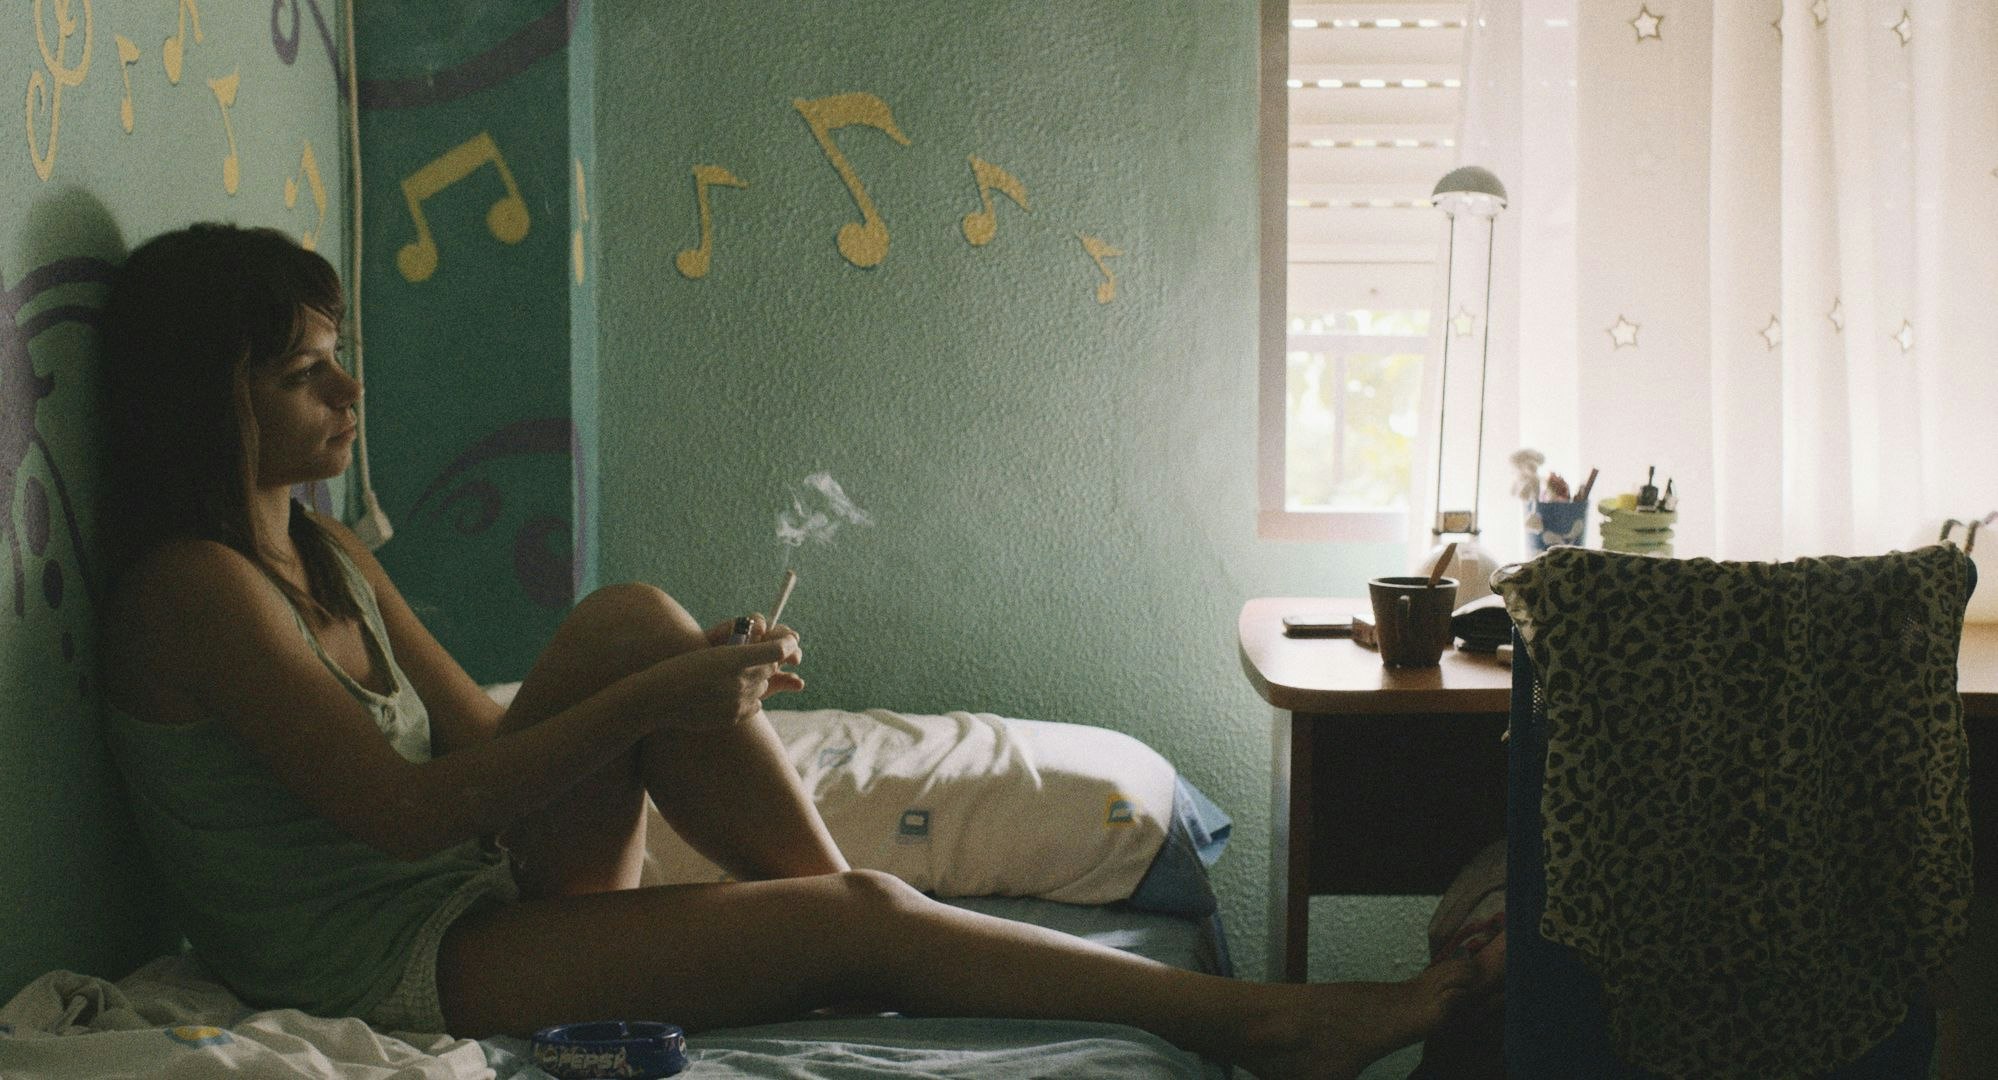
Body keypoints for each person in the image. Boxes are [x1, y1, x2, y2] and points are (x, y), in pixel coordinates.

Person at [96, 223, 1501, 1080]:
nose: (349, 391)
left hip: (469, 895)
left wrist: (675, 682)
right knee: (848, 897)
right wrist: (655, 705)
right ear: (211, 401)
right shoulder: (193, 591)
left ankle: (861, 933)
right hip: (385, 967)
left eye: (337, 356)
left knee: (632, 616)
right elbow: (412, 812)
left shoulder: (326, 549)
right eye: (305, 373)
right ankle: (1255, 1023)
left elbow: (478, 747)